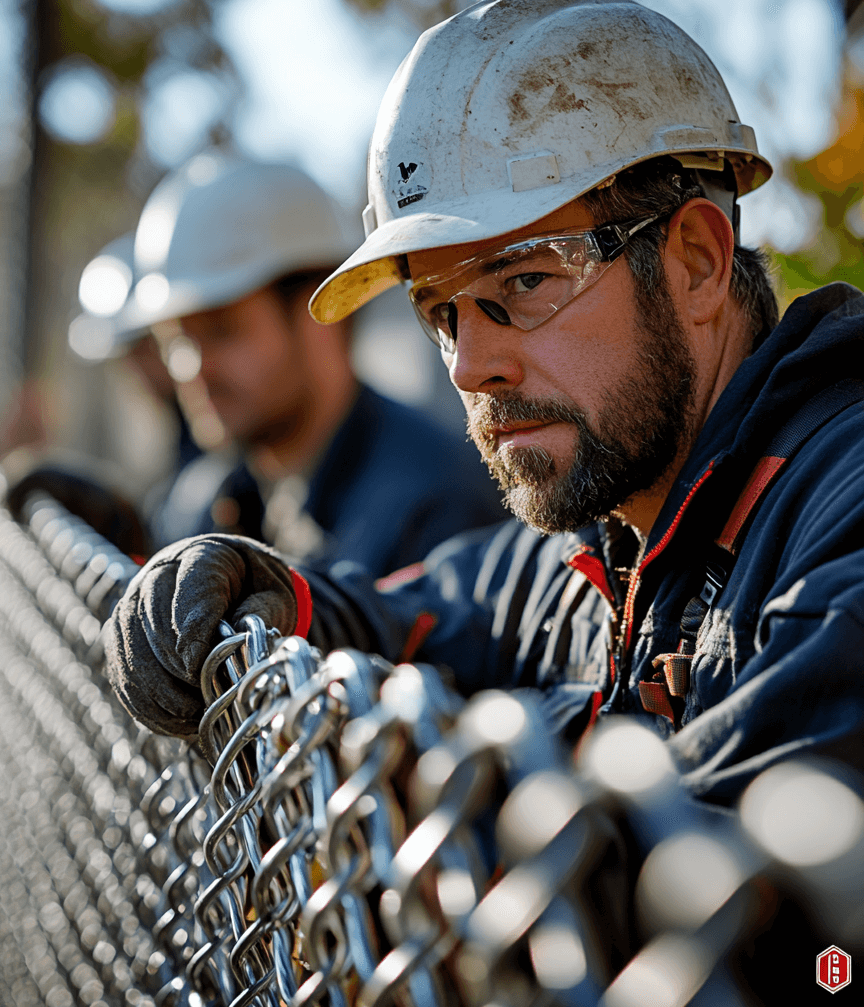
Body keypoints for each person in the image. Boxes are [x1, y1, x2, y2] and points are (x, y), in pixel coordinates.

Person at [104, 0, 864, 811]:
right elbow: (432, 611)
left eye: (525, 282)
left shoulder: (837, 505)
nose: (470, 367)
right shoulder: (608, 540)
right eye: (442, 312)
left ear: (699, 263)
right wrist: (266, 599)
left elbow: (752, 872)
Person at [109, 153, 507, 572]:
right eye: (176, 341)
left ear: (322, 315)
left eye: (222, 331)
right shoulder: (224, 494)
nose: (192, 369)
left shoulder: (433, 510)